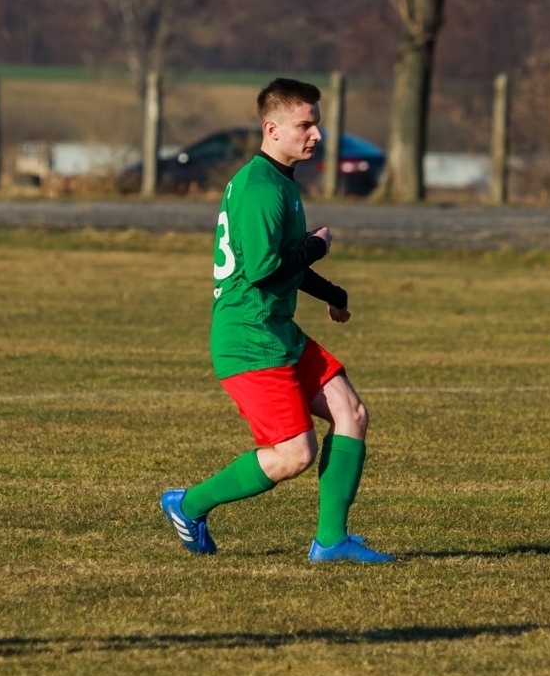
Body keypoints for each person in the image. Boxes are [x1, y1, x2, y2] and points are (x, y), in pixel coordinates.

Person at [159, 78, 393, 563]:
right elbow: (266, 271)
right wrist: (317, 245)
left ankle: (331, 541)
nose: (316, 135)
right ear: (273, 128)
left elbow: (279, 261)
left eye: (317, 124)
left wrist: (331, 291)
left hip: (276, 330)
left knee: (351, 413)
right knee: (294, 456)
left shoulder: (280, 181)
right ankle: (189, 504)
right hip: (248, 339)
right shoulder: (260, 188)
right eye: (305, 125)